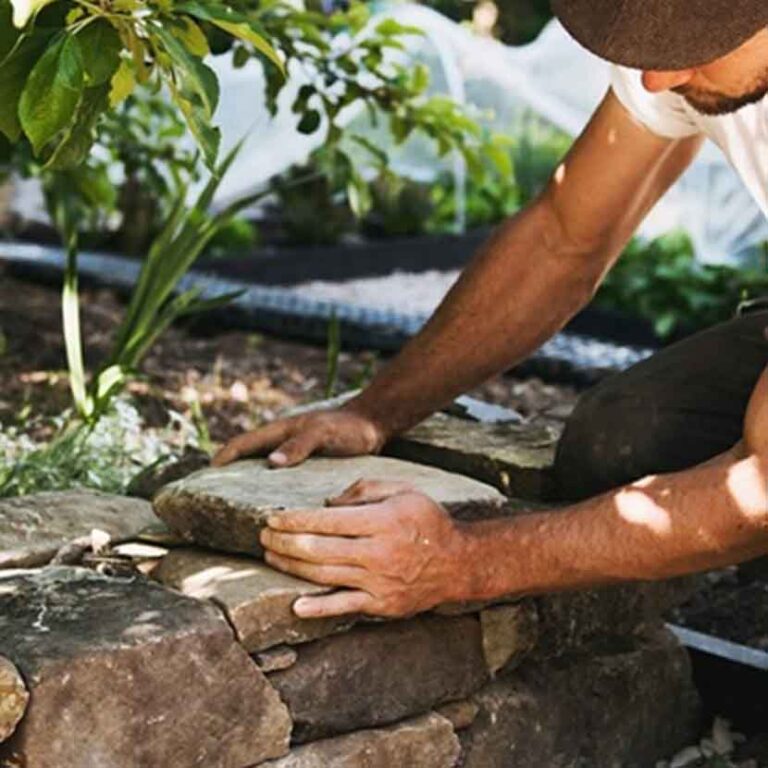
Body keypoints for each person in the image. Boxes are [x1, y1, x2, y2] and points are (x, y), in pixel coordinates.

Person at [213, 0, 768, 620]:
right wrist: (375, 411)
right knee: (623, 441)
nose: (654, 80)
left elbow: (763, 485)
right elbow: (564, 239)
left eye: (694, 41)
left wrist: (462, 562)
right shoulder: (682, 58)